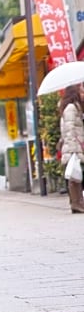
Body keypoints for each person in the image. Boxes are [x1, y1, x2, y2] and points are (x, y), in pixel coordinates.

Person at [58, 83, 84, 214]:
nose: (82, 93)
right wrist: (74, 151)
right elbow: (69, 130)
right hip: (73, 148)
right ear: (75, 93)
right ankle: (76, 203)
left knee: (76, 177)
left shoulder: (76, 108)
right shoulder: (71, 108)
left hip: (76, 147)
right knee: (75, 177)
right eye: (81, 91)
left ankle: (78, 203)